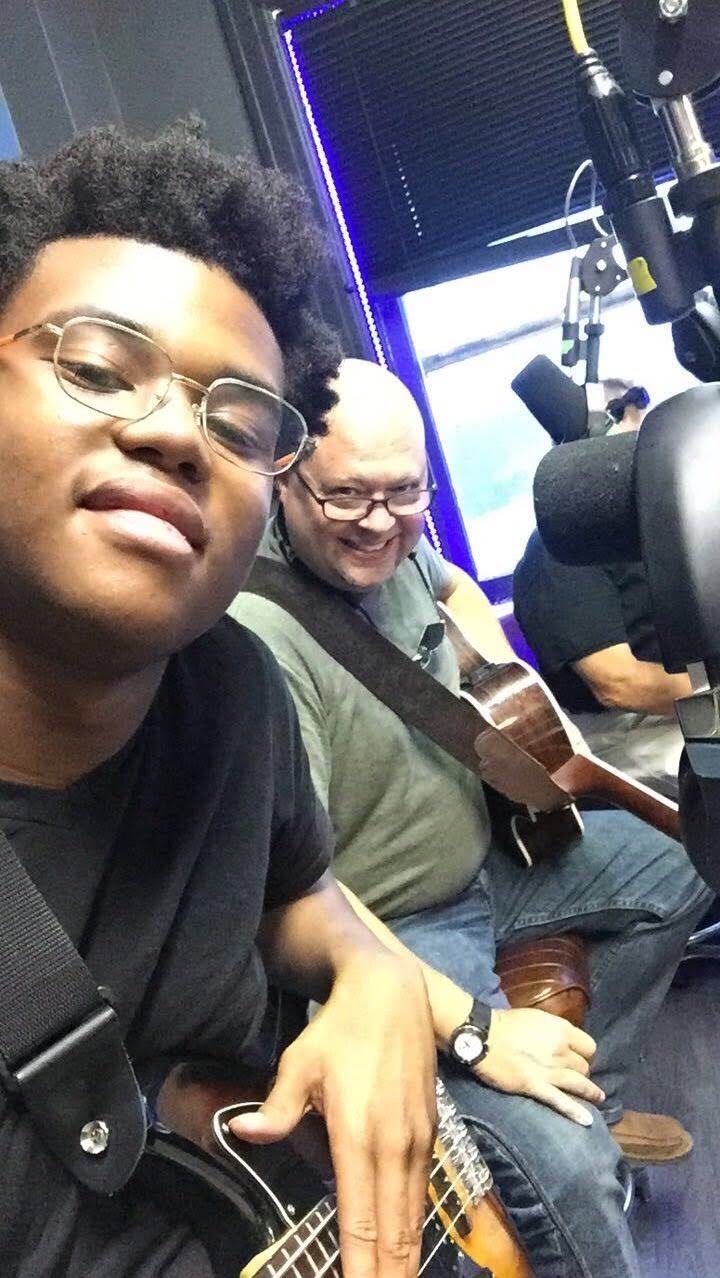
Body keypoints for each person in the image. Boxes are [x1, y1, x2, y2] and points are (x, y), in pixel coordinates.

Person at [0, 123, 445, 1278]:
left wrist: (376, 977)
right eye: (99, 369)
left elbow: (297, 895)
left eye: (239, 424)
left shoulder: (230, 689)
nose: (172, 434)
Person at [231, 357, 712, 1278]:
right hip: (392, 930)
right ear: (286, 475)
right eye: (347, 495)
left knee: (693, 852)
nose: (381, 521)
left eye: (405, 492)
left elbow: (450, 586)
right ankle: (566, 1138)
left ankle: (592, 1085)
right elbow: (292, 897)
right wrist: (480, 1036)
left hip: (495, 862)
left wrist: (502, 684)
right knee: (573, 1166)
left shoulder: (399, 546)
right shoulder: (260, 637)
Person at [514, 379, 687, 798]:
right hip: (629, 729)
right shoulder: (556, 552)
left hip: (684, 703)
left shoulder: (651, 527)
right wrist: (711, 695)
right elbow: (618, 683)